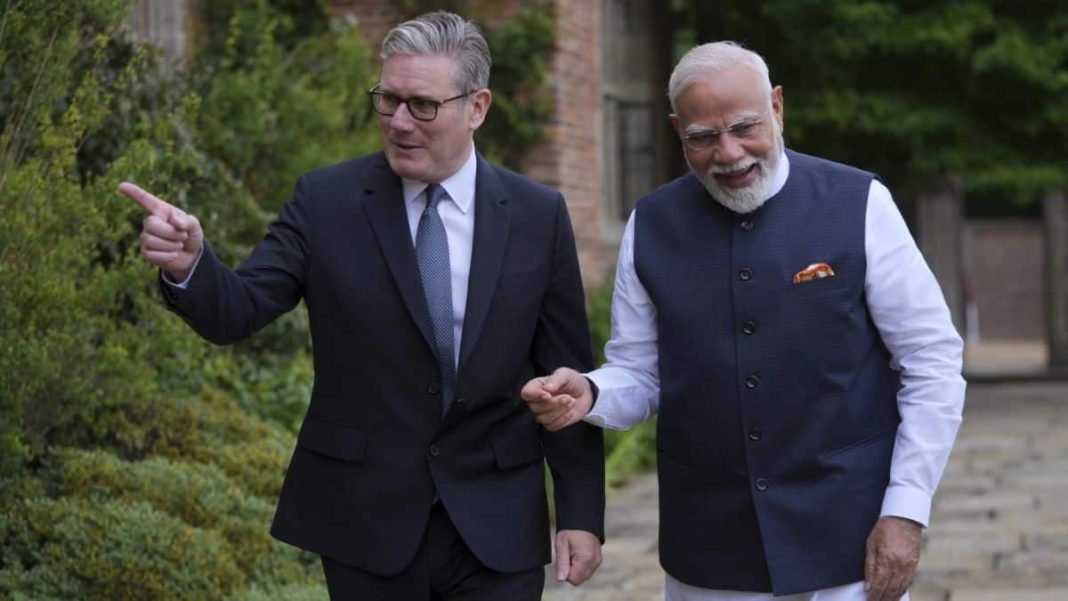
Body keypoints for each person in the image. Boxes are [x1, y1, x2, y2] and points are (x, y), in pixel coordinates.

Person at [120, 11, 605, 601]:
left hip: (496, 523)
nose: (400, 122)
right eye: (388, 100)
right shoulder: (325, 201)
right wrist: (190, 264)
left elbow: (565, 376)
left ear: (477, 107)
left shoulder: (537, 215)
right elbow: (239, 309)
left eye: (422, 105)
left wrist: (581, 511)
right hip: (366, 523)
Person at [523, 41, 965, 601]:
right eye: (703, 137)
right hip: (709, 548)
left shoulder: (860, 203)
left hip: (849, 538)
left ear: (777, 107)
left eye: (745, 127)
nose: (728, 153)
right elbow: (638, 371)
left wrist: (906, 509)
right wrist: (589, 393)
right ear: (676, 130)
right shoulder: (651, 224)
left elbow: (932, 362)